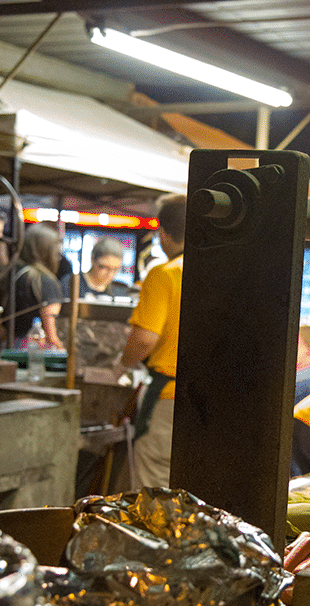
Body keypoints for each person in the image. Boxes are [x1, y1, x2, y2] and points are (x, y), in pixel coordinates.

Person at [117, 193, 186, 489]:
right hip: (211, 402)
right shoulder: (222, 272)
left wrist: (119, 365)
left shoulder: (164, 274)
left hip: (169, 398)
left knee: (154, 491)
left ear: (164, 234)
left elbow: (144, 340)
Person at [9, 222, 65, 349]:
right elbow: (52, 337)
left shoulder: (15, 274)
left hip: (9, 346)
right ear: (49, 251)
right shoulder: (45, 281)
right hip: (34, 351)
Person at [63, 236, 131, 299]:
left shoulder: (120, 291)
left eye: (115, 269)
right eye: (104, 267)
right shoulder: (71, 284)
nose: (110, 274)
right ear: (93, 259)